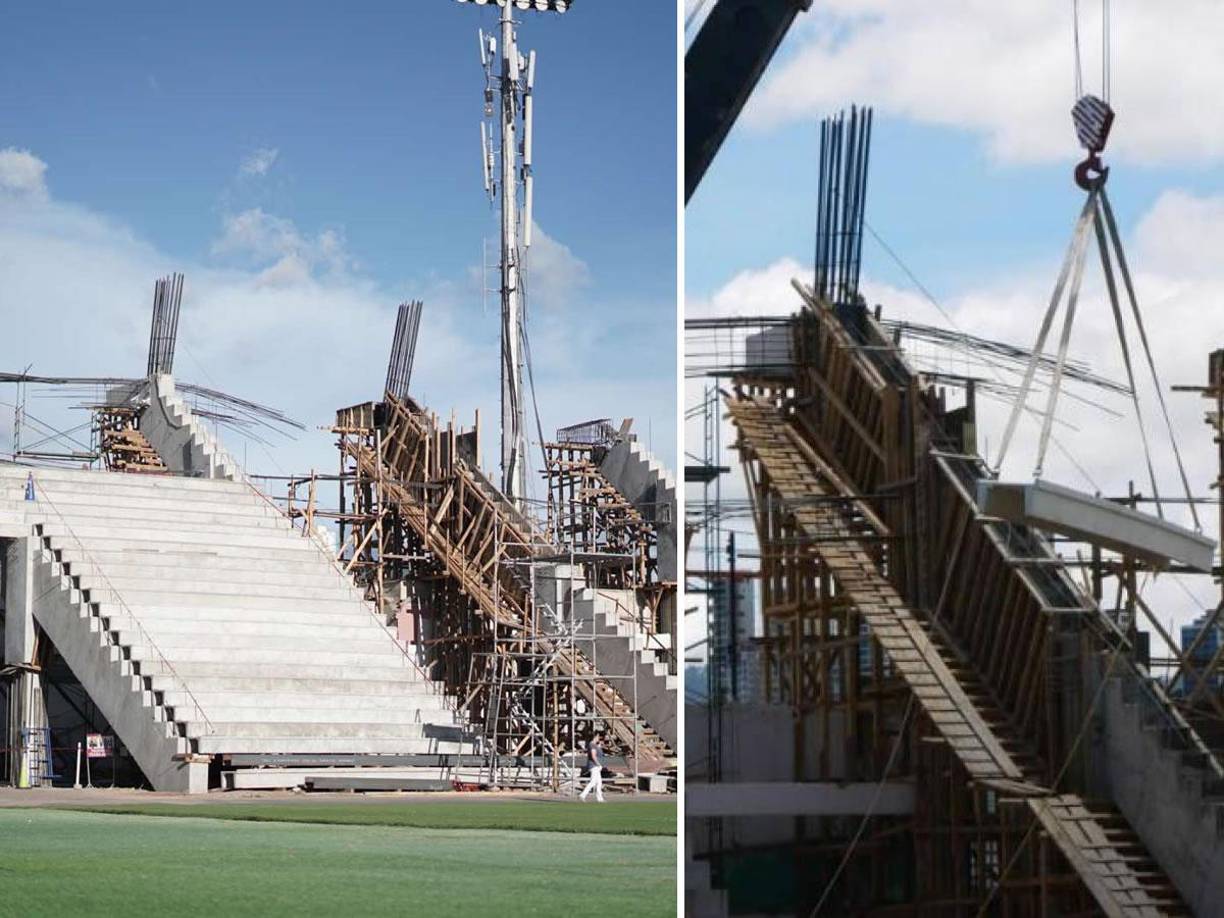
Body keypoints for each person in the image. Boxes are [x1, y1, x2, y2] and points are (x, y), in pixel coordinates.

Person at [579, 733, 605, 802]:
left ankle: (600, 798)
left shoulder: (595, 745)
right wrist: (598, 764)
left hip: (595, 766)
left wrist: (599, 747)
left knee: (599, 782)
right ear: (595, 736)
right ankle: (582, 795)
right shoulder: (592, 745)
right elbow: (593, 756)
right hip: (594, 766)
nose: (599, 738)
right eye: (598, 737)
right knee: (593, 781)